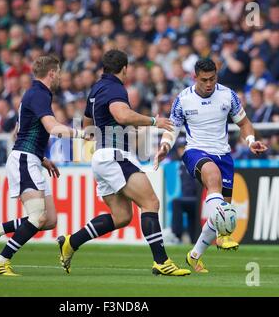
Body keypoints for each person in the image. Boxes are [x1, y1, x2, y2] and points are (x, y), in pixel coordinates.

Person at [56, 50, 191, 277]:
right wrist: (153, 121)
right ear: (125, 69)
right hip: (115, 155)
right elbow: (122, 115)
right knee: (151, 202)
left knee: (122, 217)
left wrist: (99, 132)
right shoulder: (115, 88)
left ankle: (71, 241)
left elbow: (88, 123)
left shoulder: (96, 89)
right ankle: (161, 261)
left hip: (101, 156)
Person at [155, 58, 267, 273]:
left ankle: (194, 255)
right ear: (194, 77)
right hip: (195, 152)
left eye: (212, 79)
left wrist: (251, 141)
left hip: (223, 155)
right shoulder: (183, 99)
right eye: (204, 80)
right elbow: (172, 128)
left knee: (220, 213)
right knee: (212, 177)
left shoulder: (228, 95)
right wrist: (165, 146)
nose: (209, 84)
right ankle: (224, 236)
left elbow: (243, 123)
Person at [0, 55, 86, 276]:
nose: (60, 76)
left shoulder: (35, 93)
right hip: (24, 160)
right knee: (37, 216)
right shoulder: (38, 94)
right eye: (58, 72)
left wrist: (41, 157)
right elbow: (53, 128)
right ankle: (1, 261)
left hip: (31, 159)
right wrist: (82, 134)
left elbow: (19, 131)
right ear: (52, 73)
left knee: (49, 220)